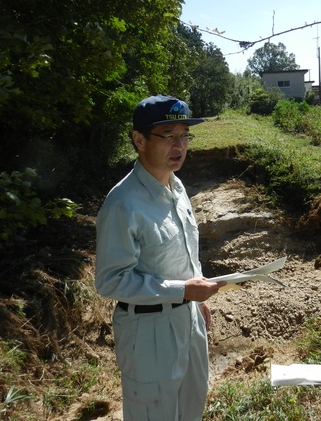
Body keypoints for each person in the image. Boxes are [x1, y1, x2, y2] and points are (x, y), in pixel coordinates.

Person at [95, 95, 226, 421]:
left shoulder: (177, 188)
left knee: (190, 409)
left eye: (184, 136)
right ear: (139, 140)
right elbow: (110, 280)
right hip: (149, 331)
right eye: (168, 135)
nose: (179, 145)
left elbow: (185, 251)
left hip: (190, 321)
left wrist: (197, 301)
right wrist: (182, 291)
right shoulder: (123, 203)